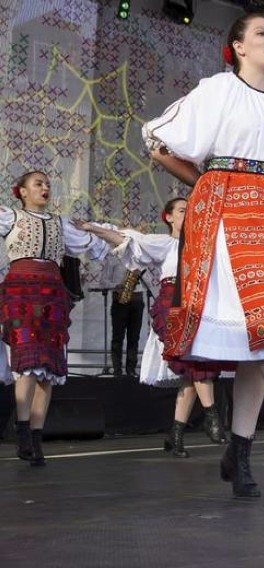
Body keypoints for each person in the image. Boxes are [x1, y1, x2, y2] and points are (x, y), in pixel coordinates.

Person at [142, 12, 264, 497]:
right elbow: (157, 139)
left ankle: (240, 453)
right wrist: (204, 184)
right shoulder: (217, 90)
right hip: (228, 212)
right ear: (238, 47)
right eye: (260, 34)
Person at [78, 198, 228, 458]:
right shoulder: (164, 243)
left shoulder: (205, 245)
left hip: (200, 304)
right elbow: (124, 240)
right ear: (168, 217)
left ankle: (176, 436)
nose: (189, 214)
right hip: (174, 304)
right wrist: (94, 228)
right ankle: (212, 416)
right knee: (195, 363)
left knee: (192, 374)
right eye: (182, 210)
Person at [0, 171, 109, 466]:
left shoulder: (61, 224)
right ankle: (22, 431)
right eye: (38, 183)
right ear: (22, 191)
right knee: (29, 362)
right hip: (22, 290)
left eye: (47, 184)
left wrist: (97, 230)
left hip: (52, 294)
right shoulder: (11, 217)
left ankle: (36, 438)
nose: (45, 187)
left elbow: (92, 243)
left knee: (48, 368)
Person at [100, 254, 145, 379]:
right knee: (117, 338)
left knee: (134, 338)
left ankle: (131, 370)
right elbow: (103, 281)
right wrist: (116, 286)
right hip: (120, 301)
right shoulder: (113, 258)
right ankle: (117, 370)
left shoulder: (140, 259)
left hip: (137, 300)